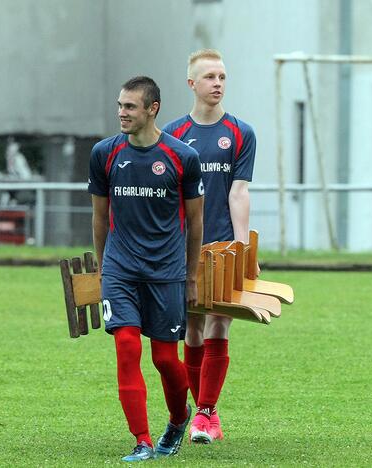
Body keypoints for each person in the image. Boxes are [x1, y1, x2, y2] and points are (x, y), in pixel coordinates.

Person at [89, 76, 204, 462]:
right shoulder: (104, 153)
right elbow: (100, 217)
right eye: (120, 105)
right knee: (125, 346)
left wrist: (191, 276)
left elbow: (195, 222)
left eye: (130, 107)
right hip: (120, 269)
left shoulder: (181, 157)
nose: (122, 113)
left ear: (152, 109)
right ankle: (141, 440)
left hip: (166, 273)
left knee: (165, 360)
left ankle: (178, 418)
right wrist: (105, 267)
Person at [163, 49, 256, 444]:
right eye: (210, 77)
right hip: (183, 250)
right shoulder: (171, 135)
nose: (217, 83)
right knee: (191, 330)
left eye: (222, 76)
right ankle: (206, 413)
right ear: (191, 84)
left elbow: (239, 193)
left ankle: (202, 414)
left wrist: (242, 250)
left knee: (220, 323)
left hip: (222, 250)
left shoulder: (240, 132)